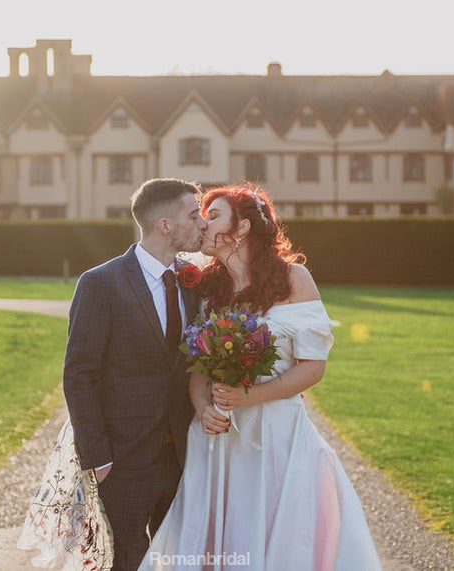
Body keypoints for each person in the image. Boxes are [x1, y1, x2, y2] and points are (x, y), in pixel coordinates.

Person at [140, 184, 381, 570]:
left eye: (213, 215)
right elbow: (197, 370)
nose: (203, 222)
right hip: (217, 441)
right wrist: (203, 410)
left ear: (244, 227)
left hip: (276, 436)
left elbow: (312, 367)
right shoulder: (205, 288)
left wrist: (248, 397)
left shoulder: (294, 279)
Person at [18, 178, 209, 571]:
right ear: (165, 225)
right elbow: (79, 375)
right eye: (194, 215)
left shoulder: (194, 284)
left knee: (177, 559)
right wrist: (98, 458)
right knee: (123, 560)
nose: (202, 223)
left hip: (182, 456)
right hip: (122, 461)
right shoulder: (101, 283)